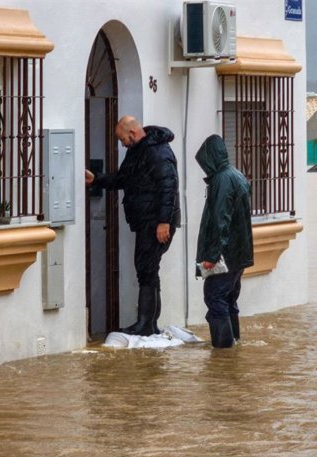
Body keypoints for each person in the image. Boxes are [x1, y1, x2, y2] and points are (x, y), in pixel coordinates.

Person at [85, 116, 181, 336]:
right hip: (147, 220)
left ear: (133, 134)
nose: (122, 144)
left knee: (146, 270)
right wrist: (97, 180)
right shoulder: (138, 151)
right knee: (147, 269)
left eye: (122, 139)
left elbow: (169, 188)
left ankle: (145, 324)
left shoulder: (158, 152)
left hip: (155, 222)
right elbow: (123, 178)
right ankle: (148, 323)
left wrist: (163, 222)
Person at [195, 134, 253, 348]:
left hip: (226, 255)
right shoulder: (236, 175)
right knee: (228, 299)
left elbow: (221, 220)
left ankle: (223, 350)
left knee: (215, 297)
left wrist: (211, 255)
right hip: (239, 254)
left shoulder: (222, 179)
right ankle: (233, 345)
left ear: (211, 158)